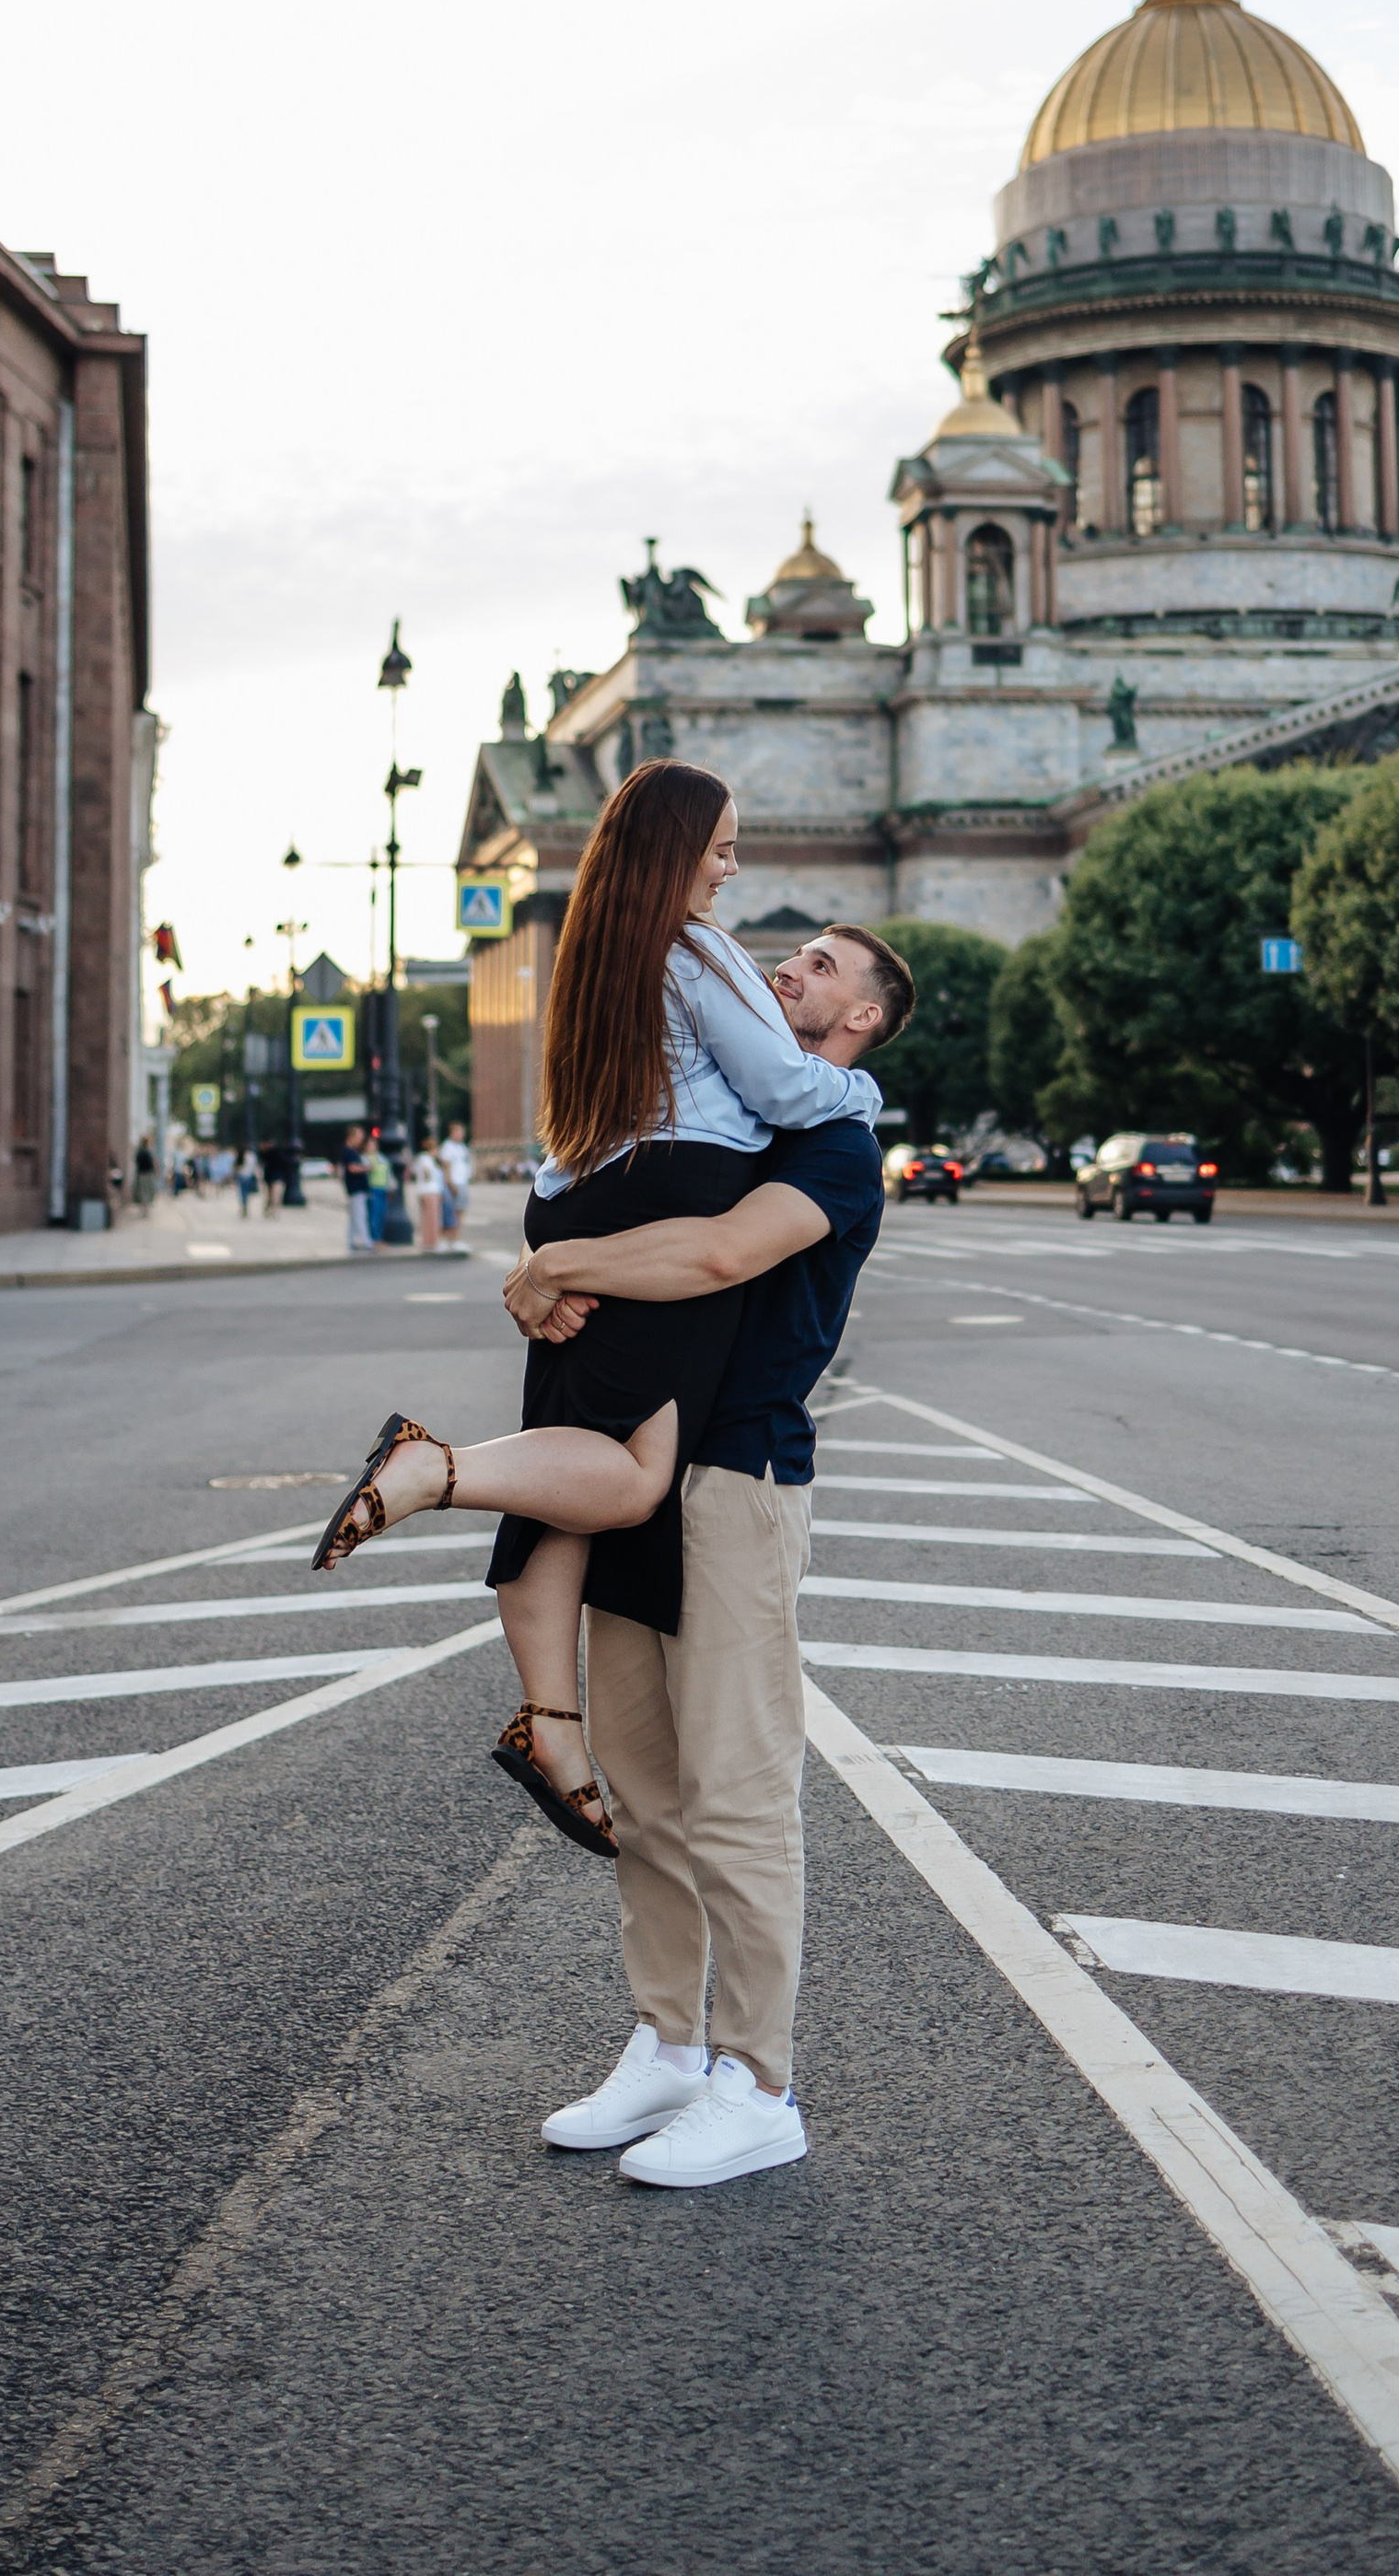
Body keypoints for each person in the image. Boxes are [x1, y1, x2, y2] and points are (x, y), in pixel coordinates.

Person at [308, 760, 879, 1859]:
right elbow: (780, 1088)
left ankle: (551, 1724)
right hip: (672, 1192)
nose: (731, 866)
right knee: (624, 1480)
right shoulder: (697, 944)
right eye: (718, 846)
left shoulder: (594, 948)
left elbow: (575, 1114)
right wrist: (863, 1090)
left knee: (561, 1471)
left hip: (577, 1189)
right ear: (674, 851)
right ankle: (435, 1469)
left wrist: (547, 1256)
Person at [500, 916, 910, 2187]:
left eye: (826, 966)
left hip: (738, 1478)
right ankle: (669, 2046)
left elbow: (719, 1255)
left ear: (864, 1026)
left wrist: (559, 1263)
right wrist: (549, 1257)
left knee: (736, 1791)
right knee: (645, 1783)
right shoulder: (733, 1119)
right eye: (792, 951)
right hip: (637, 1479)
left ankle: (760, 2082)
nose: (791, 965)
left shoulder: (836, 1148)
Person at [408, 1136, 445, 1253]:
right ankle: (433, 1242)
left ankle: (427, 1241)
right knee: (433, 1218)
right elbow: (428, 1175)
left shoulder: (421, 1158)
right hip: (430, 1191)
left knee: (426, 1217)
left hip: (423, 1191)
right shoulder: (427, 1159)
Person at [341, 1125, 372, 1254]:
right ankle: (365, 1240)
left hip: (354, 1189)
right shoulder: (350, 1152)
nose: (360, 1140)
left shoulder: (350, 1152)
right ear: (352, 1137)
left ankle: (352, 1240)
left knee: (354, 1217)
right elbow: (352, 1168)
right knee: (360, 1215)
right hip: (356, 1188)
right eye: (359, 1137)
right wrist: (367, 1168)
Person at [439, 1118, 472, 1238]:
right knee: (452, 1212)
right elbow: (446, 1167)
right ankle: (450, 1237)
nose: (461, 1134)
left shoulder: (462, 1147)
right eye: (459, 1132)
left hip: (462, 1182)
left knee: (460, 1211)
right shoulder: (448, 1146)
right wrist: (450, 1183)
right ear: (452, 1132)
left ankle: (456, 1237)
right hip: (454, 1183)